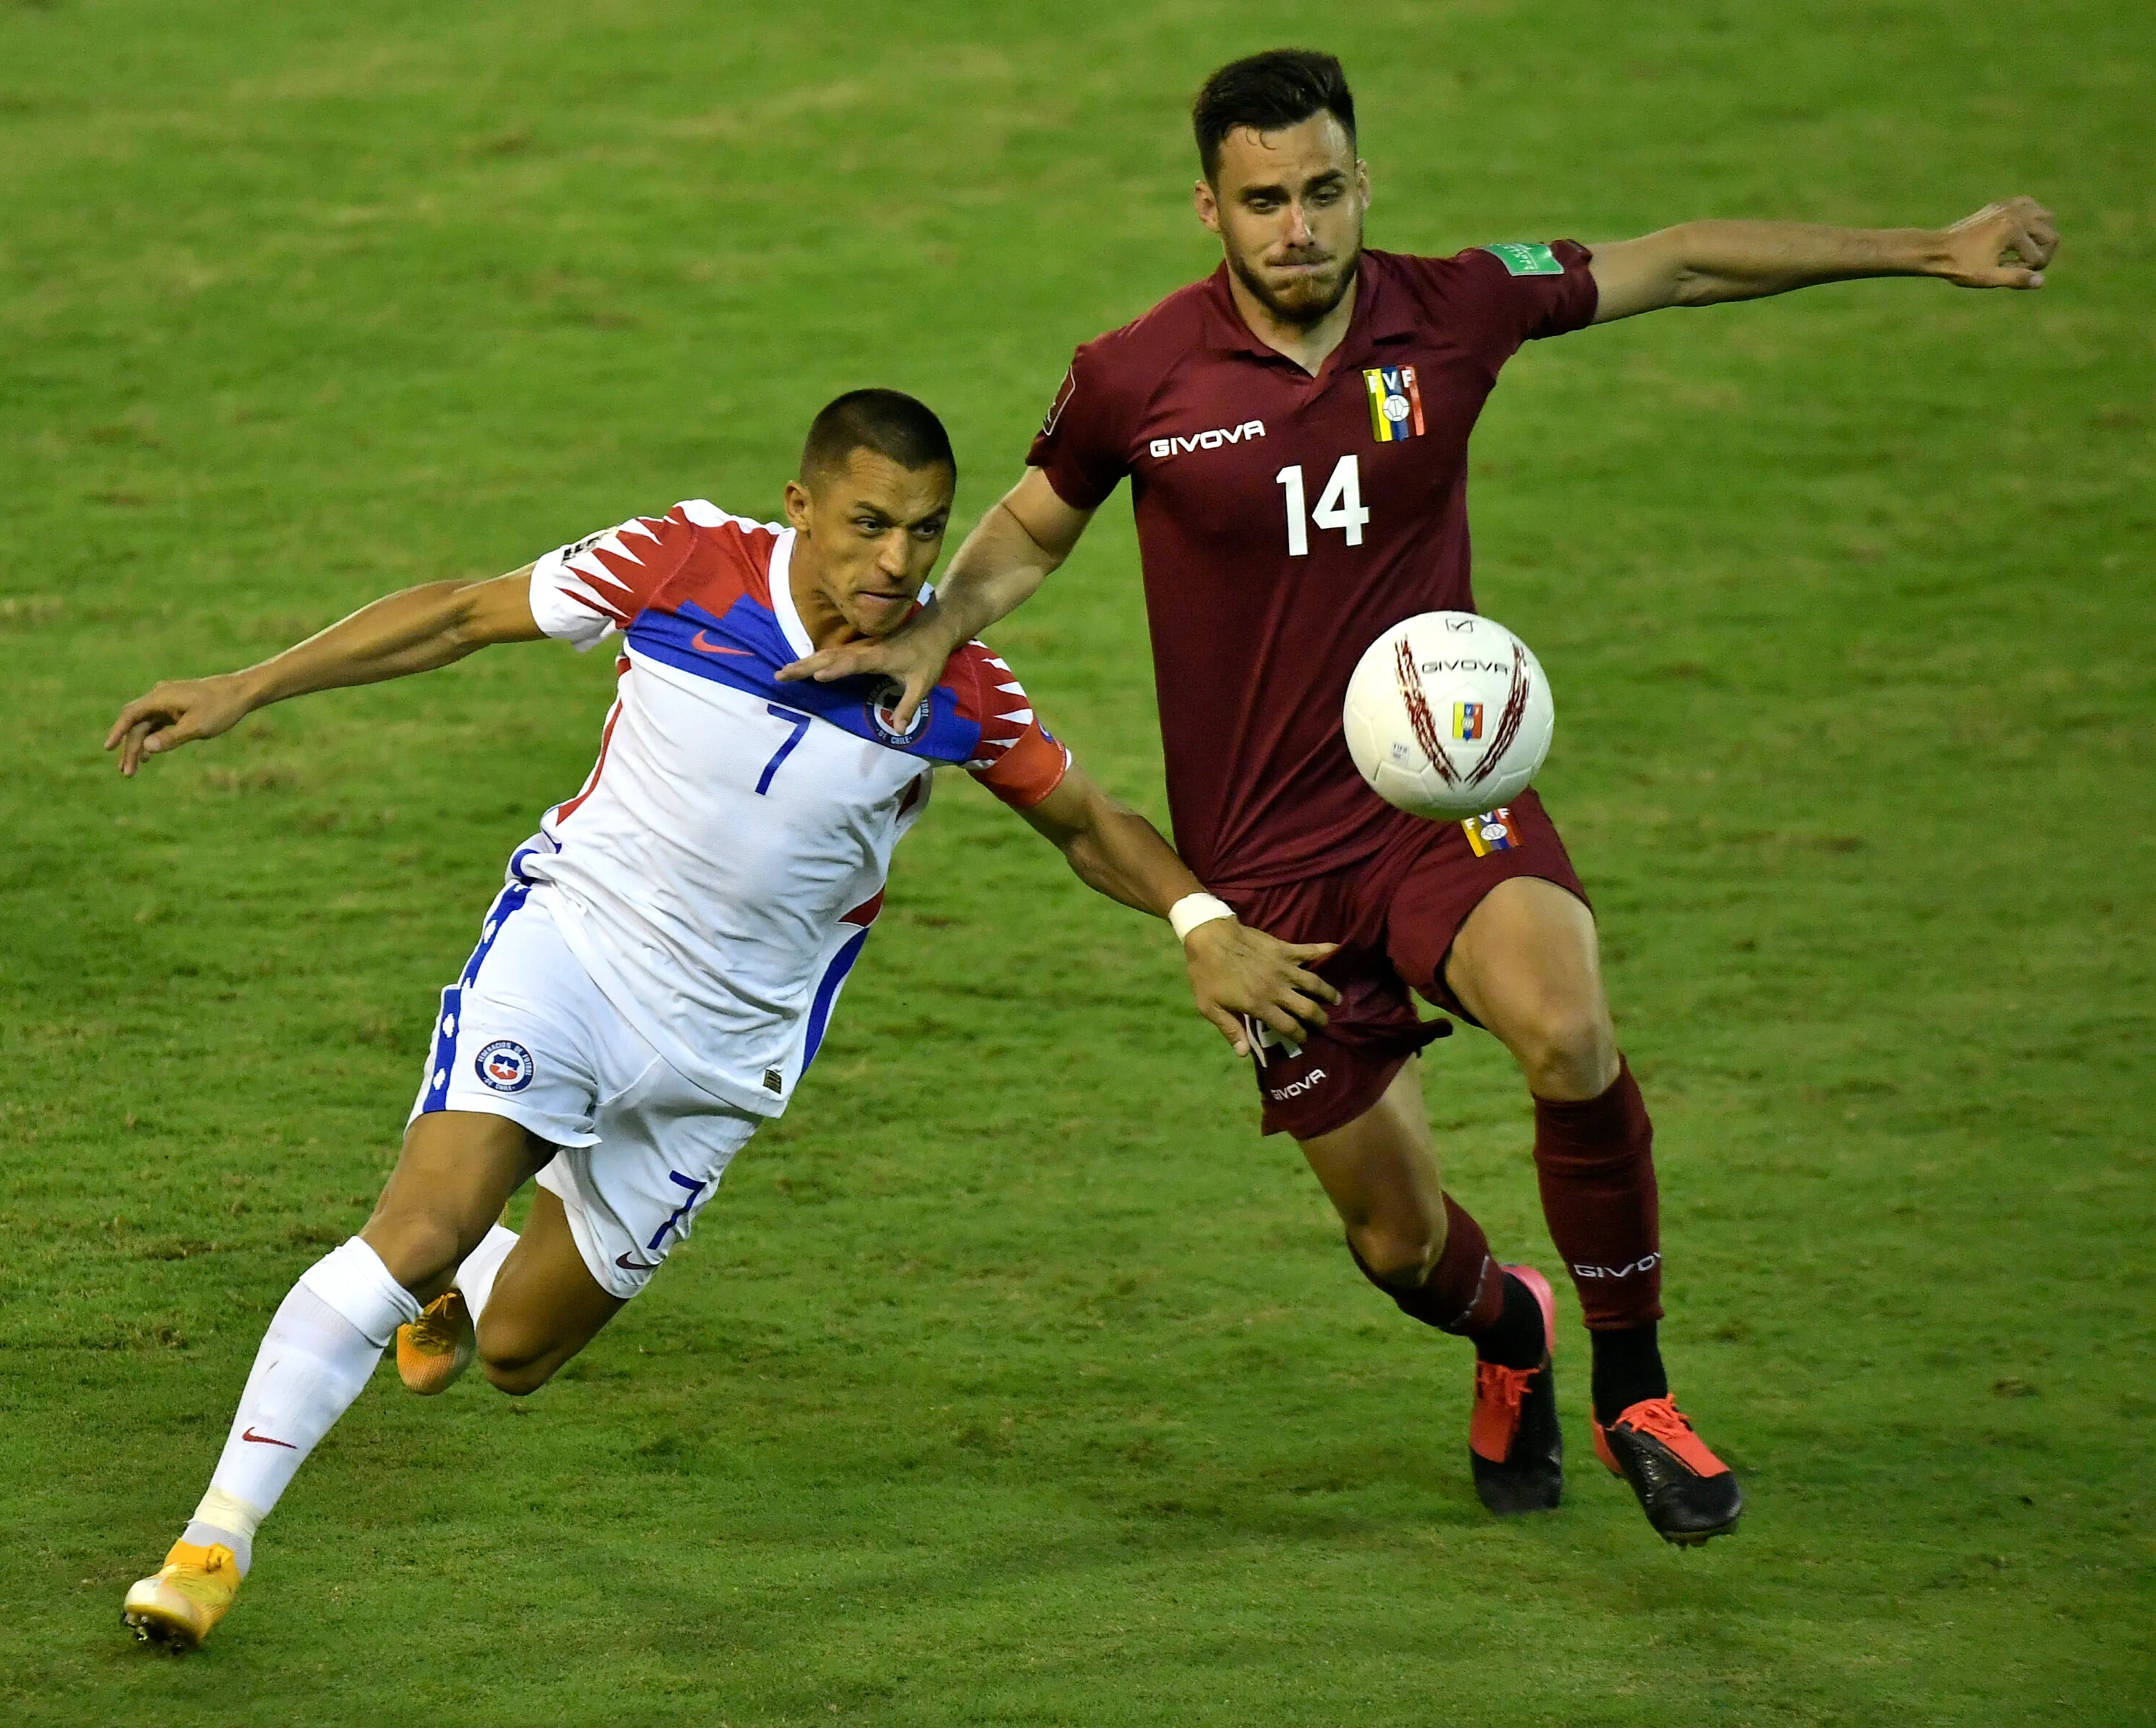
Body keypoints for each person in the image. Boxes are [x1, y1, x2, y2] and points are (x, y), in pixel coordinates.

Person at [783, 51, 2060, 1545]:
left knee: (1568, 1028)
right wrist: (934, 631)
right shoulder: (1135, 374)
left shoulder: (1455, 306)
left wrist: (1928, 246)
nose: (1298, 228)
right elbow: (1028, 527)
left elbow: (1683, 264)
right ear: (1212, 206)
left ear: (1362, 184)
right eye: (1264, 201)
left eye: (1324, 191)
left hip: (1445, 807)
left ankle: (1634, 1388)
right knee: (1396, 1246)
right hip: (1267, 874)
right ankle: (1509, 1330)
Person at [101, 388, 1338, 1649]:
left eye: (925, 531)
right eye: (868, 524)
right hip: (571, 958)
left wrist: (1201, 923)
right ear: (800, 507)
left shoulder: (951, 682)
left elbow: (1086, 821)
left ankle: (474, 1275)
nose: (899, 563)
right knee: (414, 1229)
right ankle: (214, 1544)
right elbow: (466, 615)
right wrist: (245, 688)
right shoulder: (679, 560)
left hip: (722, 1064)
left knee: (519, 1352)